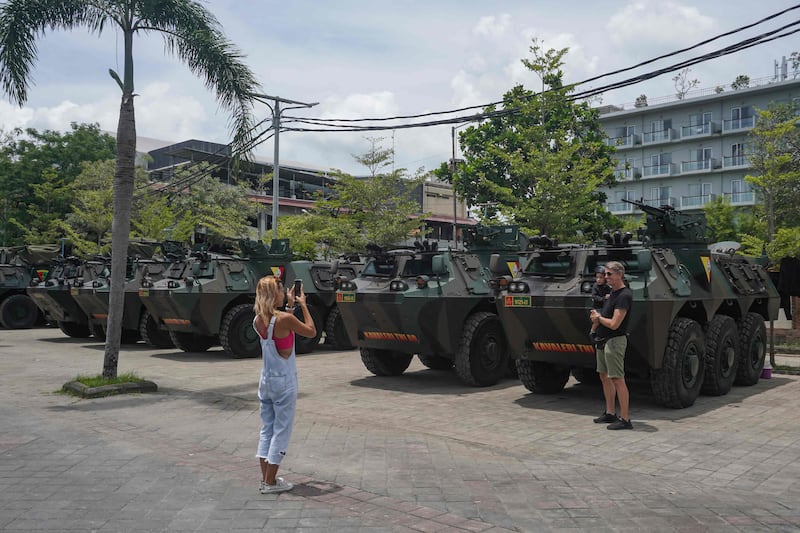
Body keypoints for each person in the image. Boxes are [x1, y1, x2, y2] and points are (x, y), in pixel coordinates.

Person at [253, 276, 316, 493]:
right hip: (284, 382)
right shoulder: (283, 320)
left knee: (267, 429)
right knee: (282, 431)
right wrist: (303, 305)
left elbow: (282, 331)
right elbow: (310, 330)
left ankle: (266, 479)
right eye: (281, 291)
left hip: (266, 380)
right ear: (274, 294)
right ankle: (270, 483)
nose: (283, 293)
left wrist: (290, 306)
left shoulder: (258, 320)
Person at [589, 261, 633, 430]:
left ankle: (625, 419)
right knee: (604, 376)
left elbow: (615, 324)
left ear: (619, 274)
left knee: (617, 379)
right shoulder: (612, 294)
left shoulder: (623, 296)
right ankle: (610, 412)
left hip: (614, 341)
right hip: (603, 341)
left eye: (609, 274)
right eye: (605, 274)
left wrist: (598, 319)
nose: (605, 277)